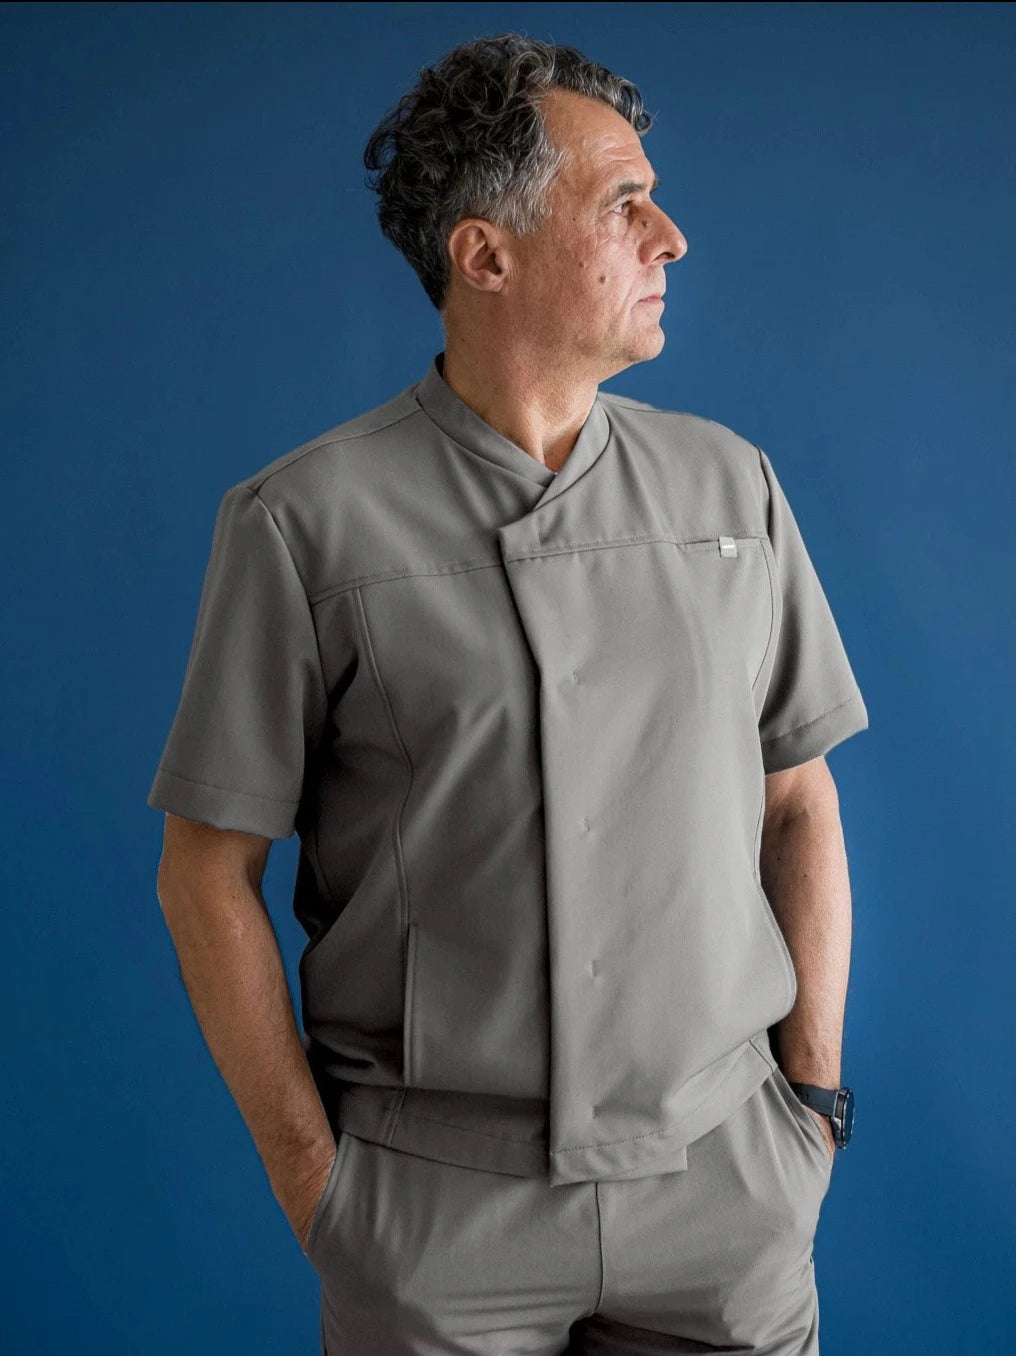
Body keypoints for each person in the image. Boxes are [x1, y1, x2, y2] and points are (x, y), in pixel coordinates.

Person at [148, 31, 869, 1355]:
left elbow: (798, 806)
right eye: (623, 203)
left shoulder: (733, 488)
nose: (671, 238)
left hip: (726, 1188)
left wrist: (809, 1106)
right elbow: (205, 873)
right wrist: (320, 1188)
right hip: (435, 1210)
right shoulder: (303, 524)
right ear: (484, 256)